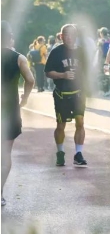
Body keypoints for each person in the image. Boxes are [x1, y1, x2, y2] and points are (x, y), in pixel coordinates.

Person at [45, 24, 88, 168]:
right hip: (62, 94)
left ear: (76, 36)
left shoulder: (81, 52)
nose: (69, 38)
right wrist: (63, 75)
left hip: (78, 94)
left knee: (80, 123)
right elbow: (48, 72)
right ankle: (60, 152)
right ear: (61, 36)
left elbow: (87, 72)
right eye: (66, 35)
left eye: (72, 35)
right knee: (61, 125)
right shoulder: (56, 52)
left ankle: (78, 154)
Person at [1, 21, 35, 206]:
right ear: (10, 36)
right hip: (9, 110)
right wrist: (25, 98)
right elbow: (30, 80)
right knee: (5, 155)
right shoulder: (19, 58)